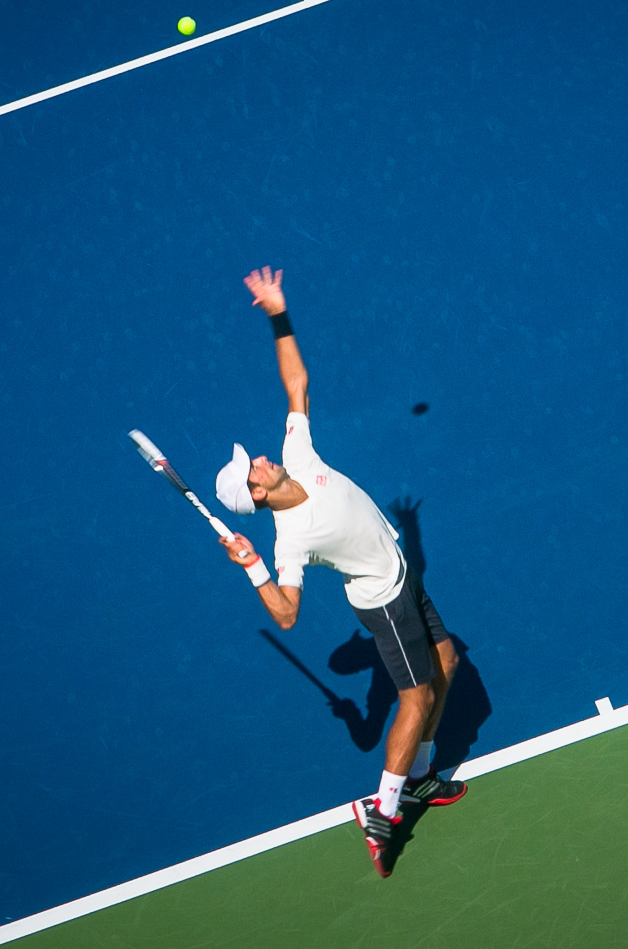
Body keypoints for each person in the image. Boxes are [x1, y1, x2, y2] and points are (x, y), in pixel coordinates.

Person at [213, 266, 465, 878]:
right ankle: (381, 809)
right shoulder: (288, 540)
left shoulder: (300, 455)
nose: (264, 457)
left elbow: (296, 382)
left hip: (402, 572)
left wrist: (278, 313)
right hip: (383, 601)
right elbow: (289, 615)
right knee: (417, 694)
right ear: (256, 494)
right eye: (255, 467)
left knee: (449, 661)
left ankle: (423, 776)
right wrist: (252, 569)